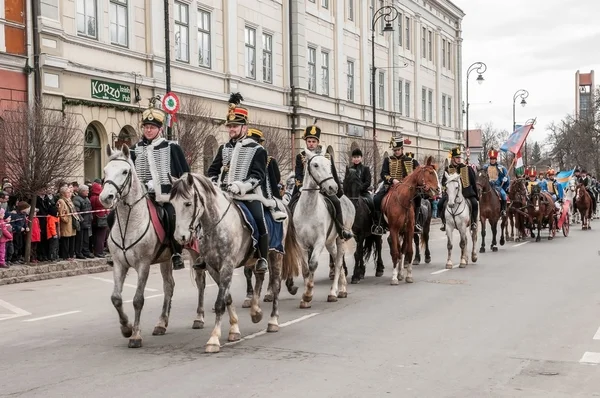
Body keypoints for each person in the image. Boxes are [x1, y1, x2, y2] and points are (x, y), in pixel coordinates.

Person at [127, 101, 190, 270]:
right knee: (116, 216)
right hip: (141, 197)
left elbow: (185, 174)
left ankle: (176, 253)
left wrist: (164, 185)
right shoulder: (134, 150)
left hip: (165, 197)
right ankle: (118, 251)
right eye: (146, 127)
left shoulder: (171, 147)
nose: (148, 130)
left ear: (160, 129)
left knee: (171, 217)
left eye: (152, 127)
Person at [292, 122, 353, 240]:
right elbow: (298, 174)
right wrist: (300, 185)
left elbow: (333, 173)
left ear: (318, 142)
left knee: (336, 202)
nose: (311, 144)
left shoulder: (326, 156)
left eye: (313, 141)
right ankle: (291, 231)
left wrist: (337, 190)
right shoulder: (301, 156)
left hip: (323, 189)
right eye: (309, 141)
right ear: (306, 142)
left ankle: (341, 230)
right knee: (291, 204)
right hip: (305, 189)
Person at [373, 138, 420, 233]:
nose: (396, 152)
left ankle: (416, 223)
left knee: (418, 198)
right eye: (395, 150)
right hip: (391, 186)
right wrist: (392, 180)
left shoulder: (411, 161)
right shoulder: (388, 160)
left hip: (407, 188)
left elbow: (418, 174)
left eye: (398, 150)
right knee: (376, 199)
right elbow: (384, 174)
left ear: (402, 149)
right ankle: (380, 224)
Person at [246, 128, 287, 221]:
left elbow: (276, 178)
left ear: (260, 144)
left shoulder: (270, 160)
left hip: (268, 193)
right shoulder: (243, 158)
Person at [207, 93, 245, 190]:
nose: (231, 129)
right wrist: (215, 183)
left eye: (235, 126)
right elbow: (212, 171)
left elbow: (258, 176)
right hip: (225, 192)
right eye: (229, 126)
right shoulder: (224, 148)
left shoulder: (254, 148)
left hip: (246, 195)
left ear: (244, 128)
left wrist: (241, 187)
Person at [438, 147, 479, 232]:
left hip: (466, 193)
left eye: (459, 157)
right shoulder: (447, 169)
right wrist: (446, 190)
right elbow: (443, 183)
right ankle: (444, 222)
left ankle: (473, 222)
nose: (459, 159)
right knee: (440, 204)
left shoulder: (467, 168)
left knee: (475, 203)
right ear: (452, 159)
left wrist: (476, 195)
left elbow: (473, 182)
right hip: (451, 194)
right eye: (457, 157)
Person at [481, 148, 510, 216]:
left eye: (494, 159)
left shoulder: (501, 168)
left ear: (496, 159)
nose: (492, 160)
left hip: (497, 186)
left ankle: (503, 210)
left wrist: (505, 179)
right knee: (481, 195)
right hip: (488, 186)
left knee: (503, 195)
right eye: (491, 159)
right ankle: (481, 210)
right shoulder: (485, 167)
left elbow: (507, 177)